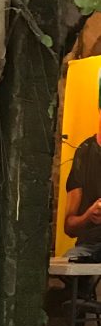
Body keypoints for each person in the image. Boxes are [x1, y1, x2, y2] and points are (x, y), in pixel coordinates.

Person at [64, 107, 101, 261]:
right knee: (71, 259)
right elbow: (69, 227)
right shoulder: (84, 153)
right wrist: (88, 216)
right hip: (90, 247)